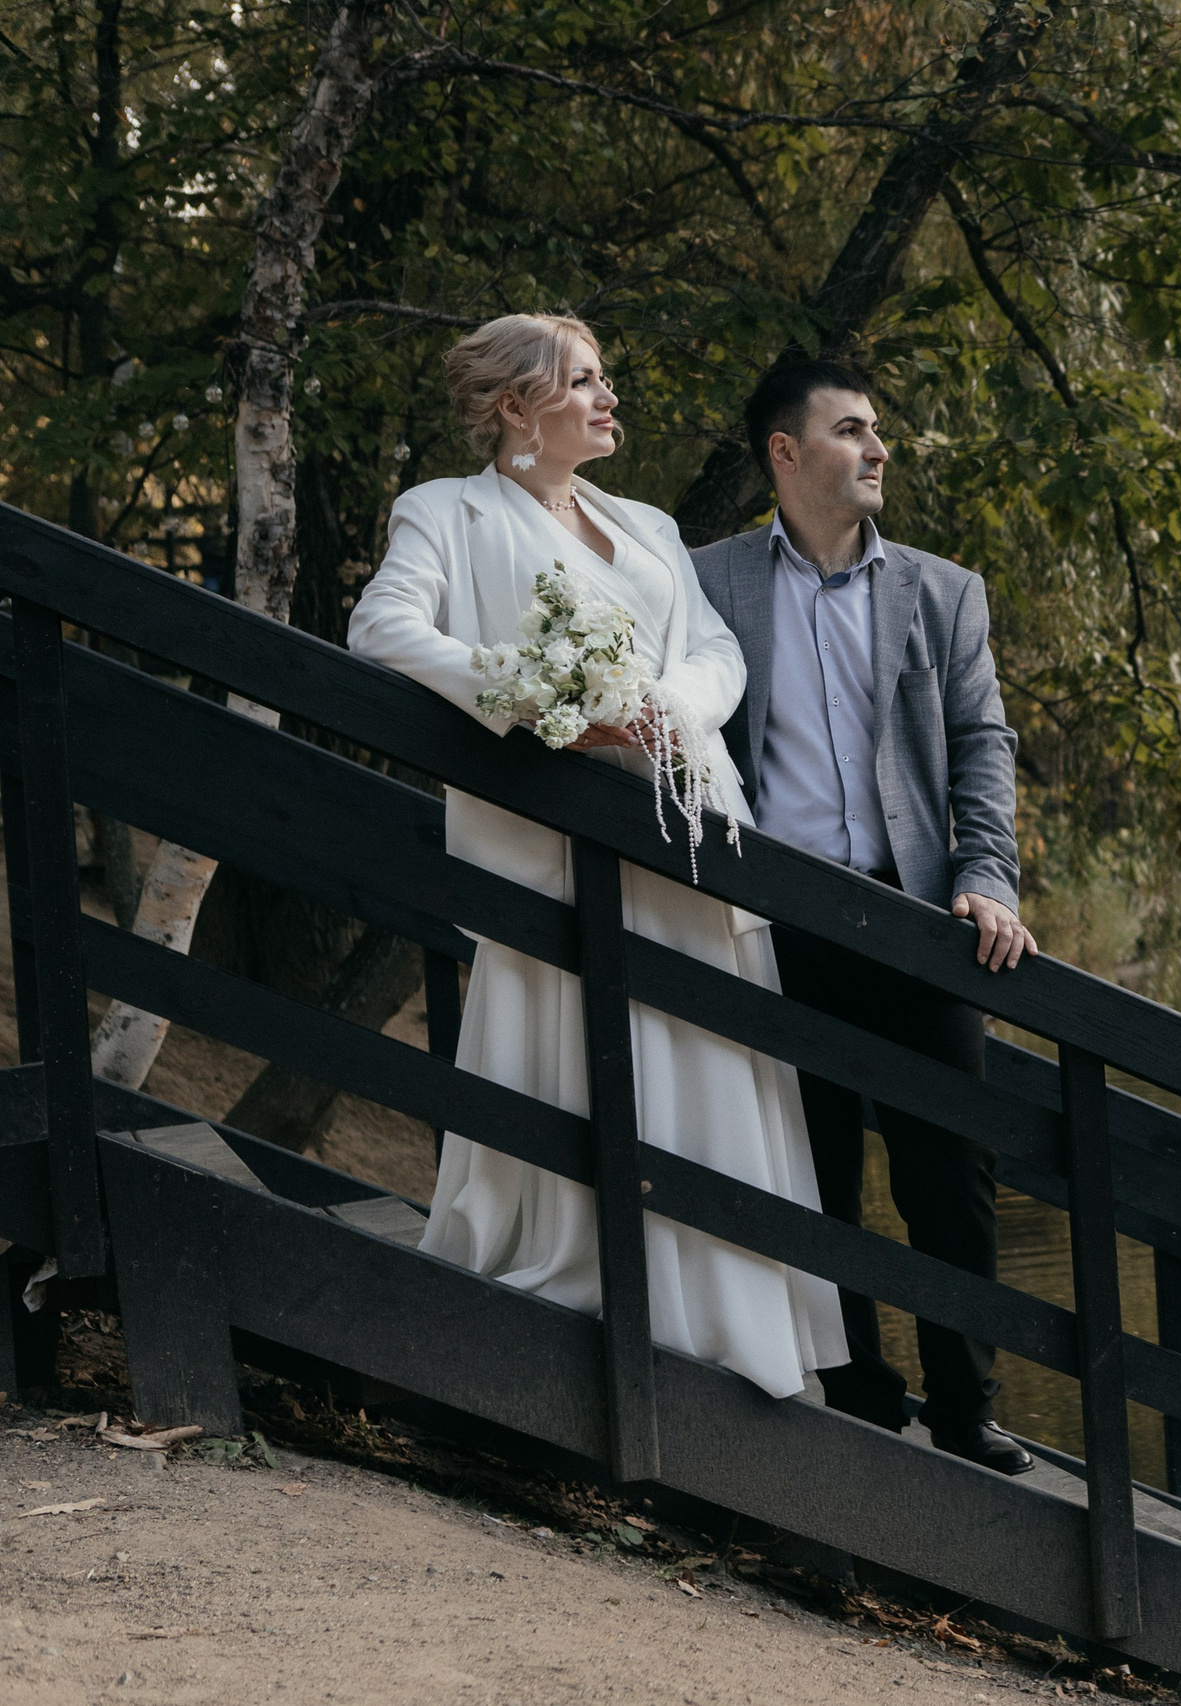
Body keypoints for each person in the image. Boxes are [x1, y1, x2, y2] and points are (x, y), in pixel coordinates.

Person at [348, 313, 848, 1402]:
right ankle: (594, 1300)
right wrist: (547, 704)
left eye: (605, 377)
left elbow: (715, 649)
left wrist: (660, 708)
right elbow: (383, 629)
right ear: (517, 404)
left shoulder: (650, 523)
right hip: (557, 844)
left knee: (700, 1054)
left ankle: (724, 1320)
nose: (608, 397)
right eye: (584, 381)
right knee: (586, 1058)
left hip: (689, 829)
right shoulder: (444, 512)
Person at [688, 357, 1037, 1475]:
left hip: (917, 917)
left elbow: (984, 745)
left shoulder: (943, 592)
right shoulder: (707, 583)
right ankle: (856, 1383)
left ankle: (966, 1402)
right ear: (784, 453)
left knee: (950, 1169)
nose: (878, 447)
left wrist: (987, 874)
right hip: (776, 914)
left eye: (877, 429)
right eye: (851, 429)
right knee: (809, 1158)